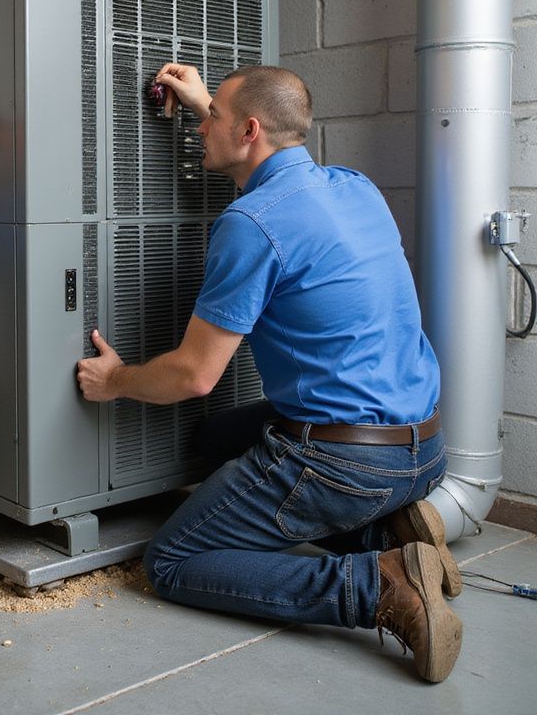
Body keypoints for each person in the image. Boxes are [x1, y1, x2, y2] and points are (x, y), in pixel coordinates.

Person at [76, 63, 464, 684]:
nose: (205, 129)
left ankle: (378, 584)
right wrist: (213, 102)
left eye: (215, 120)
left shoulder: (249, 225)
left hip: (346, 464)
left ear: (250, 130)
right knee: (212, 440)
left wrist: (115, 380)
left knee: (173, 560)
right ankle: (389, 528)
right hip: (423, 446)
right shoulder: (353, 186)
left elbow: (195, 377)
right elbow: (278, 202)